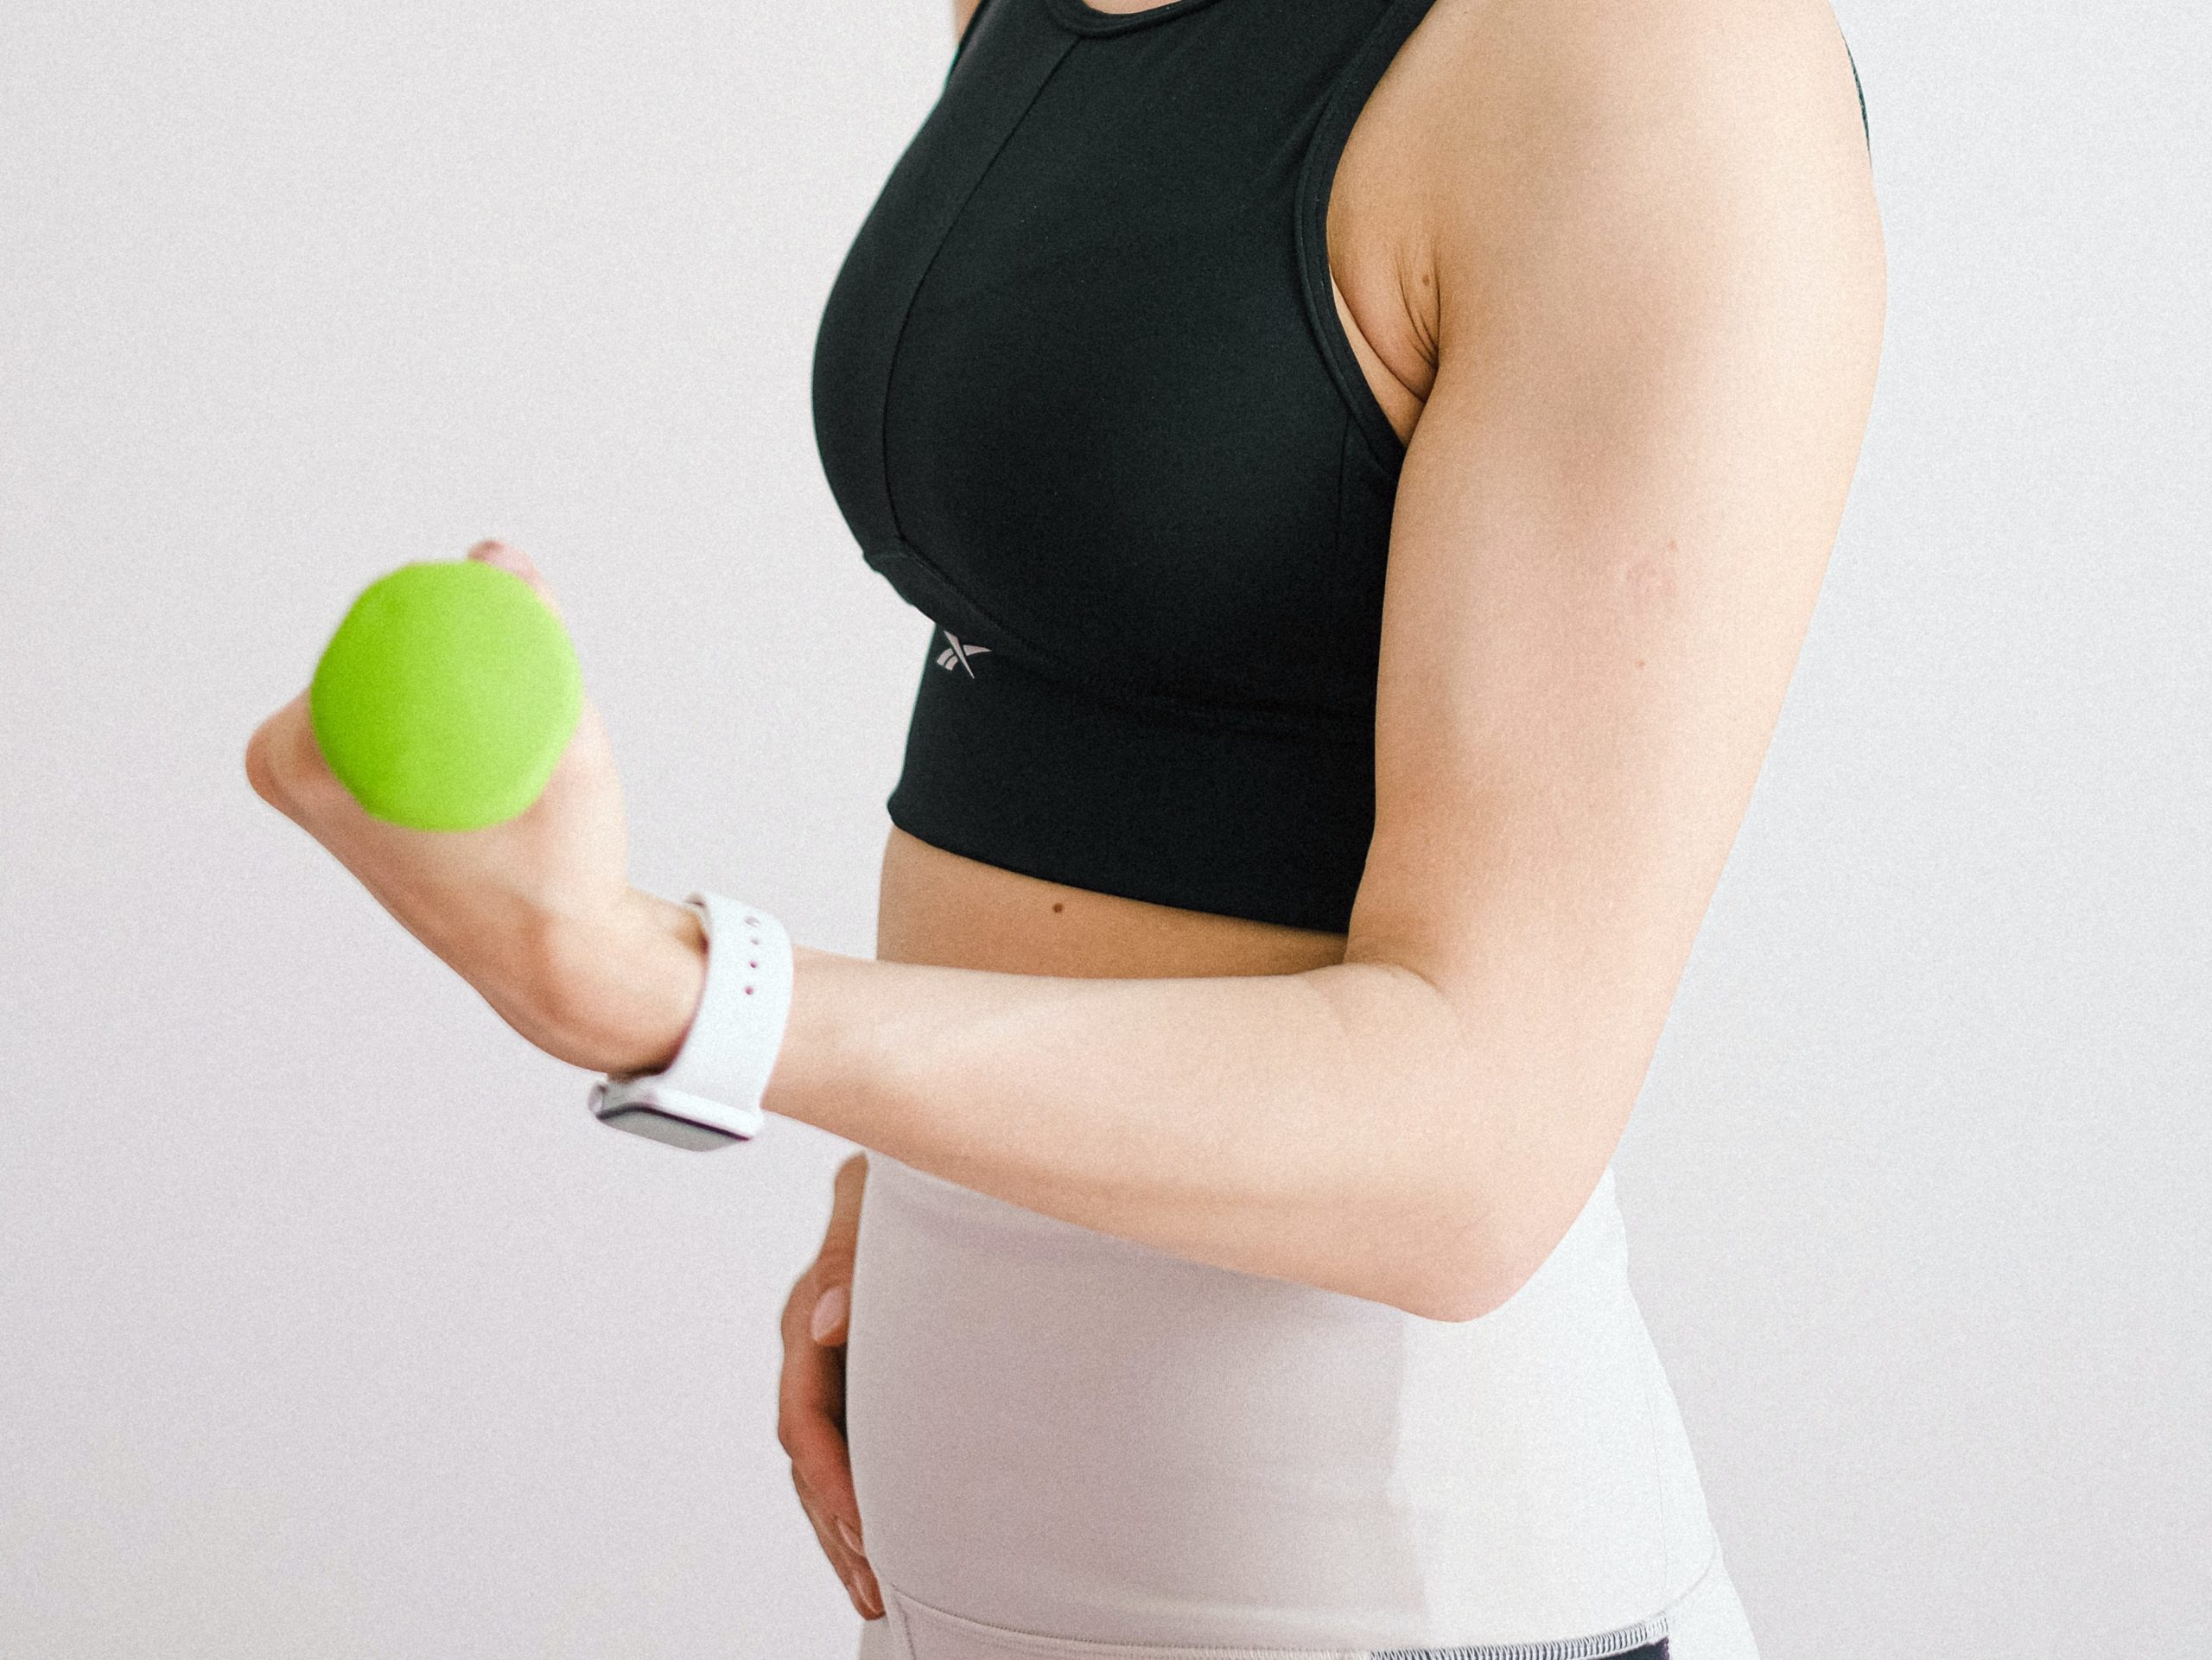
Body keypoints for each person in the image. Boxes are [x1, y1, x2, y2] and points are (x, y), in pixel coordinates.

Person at [245, 0, 1883, 1653]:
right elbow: (1080, 629)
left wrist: (695, 1001)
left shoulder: (1659, 58)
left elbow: (1480, 1153)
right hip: (963, 1573)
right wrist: (918, 1166)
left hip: (1373, 1589)